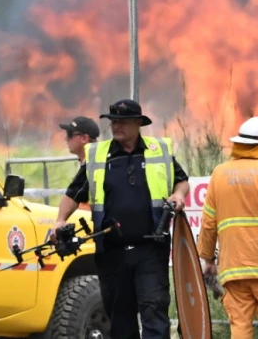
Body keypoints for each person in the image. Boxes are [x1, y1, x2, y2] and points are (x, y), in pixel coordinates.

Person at [55, 99, 190, 339]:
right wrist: (60, 220)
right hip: (112, 253)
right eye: (113, 121)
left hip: (151, 248)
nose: (117, 126)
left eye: (123, 122)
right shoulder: (99, 156)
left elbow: (181, 179)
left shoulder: (158, 150)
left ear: (138, 123)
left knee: (154, 310)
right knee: (120, 319)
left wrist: (178, 194)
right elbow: (73, 193)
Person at [197, 116, 258, 339]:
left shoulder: (219, 174)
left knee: (239, 327)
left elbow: (209, 223)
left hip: (234, 268)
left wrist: (208, 260)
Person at [58, 116, 100, 212]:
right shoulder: (90, 161)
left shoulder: (94, 164)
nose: (66, 139)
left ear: (84, 138)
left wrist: (61, 220)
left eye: (69, 134)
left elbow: (73, 196)